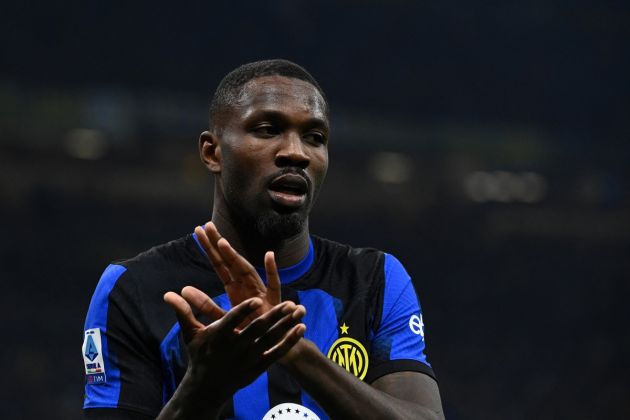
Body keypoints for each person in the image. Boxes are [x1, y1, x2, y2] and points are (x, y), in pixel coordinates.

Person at [81, 59, 444, 419]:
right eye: (268, 129)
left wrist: (295, 351)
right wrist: (202, 390)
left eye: (314, 138)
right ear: (212, 152)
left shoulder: (374, 280)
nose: (296, 153)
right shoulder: (133, 288)